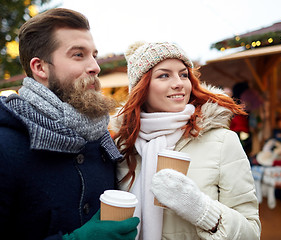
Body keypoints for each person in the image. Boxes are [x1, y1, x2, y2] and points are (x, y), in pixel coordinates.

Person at [0, 8, 139, 240]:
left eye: (94, 55)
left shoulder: (100, 139)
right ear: (40, 68)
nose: (95, 67)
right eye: (78, 55)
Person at [111, 42, 261, 239]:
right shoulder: (123, 146)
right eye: (164, 75)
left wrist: (201, 210)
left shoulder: (223, 141)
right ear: (141, 87)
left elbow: (251, 233)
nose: (179, 83)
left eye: (183, 74)